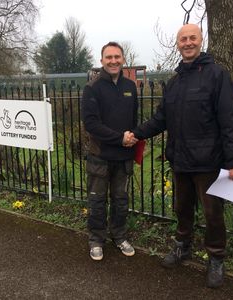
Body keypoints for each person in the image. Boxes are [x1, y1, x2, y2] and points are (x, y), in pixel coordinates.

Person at [131, 24, 233, 288]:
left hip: (208, 162)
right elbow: (161, 119)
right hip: (180, 160)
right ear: (178, 44)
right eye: (183, 39)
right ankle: (183, 246)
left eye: (192, 38)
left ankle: (216, 257)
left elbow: (229, 119)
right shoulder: (174, 82)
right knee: (182, 209)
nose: (188, 42)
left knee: (212, 213)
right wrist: (136, 134)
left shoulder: (217, 75)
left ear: (200, 40)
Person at [81, 41, 138, 261]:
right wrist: (120, 138)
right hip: (100, 157)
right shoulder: (92, 88)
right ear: (102, 60)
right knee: (97, 200)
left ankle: (119, 235)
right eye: (109, 57)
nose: (113, 61)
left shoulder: (130, 87)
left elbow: (133, 119)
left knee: (120, 199)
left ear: (122, 59)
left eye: (117, 57)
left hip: (123, 158)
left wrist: (132, 137)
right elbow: (91, 124)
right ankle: (96, 239)